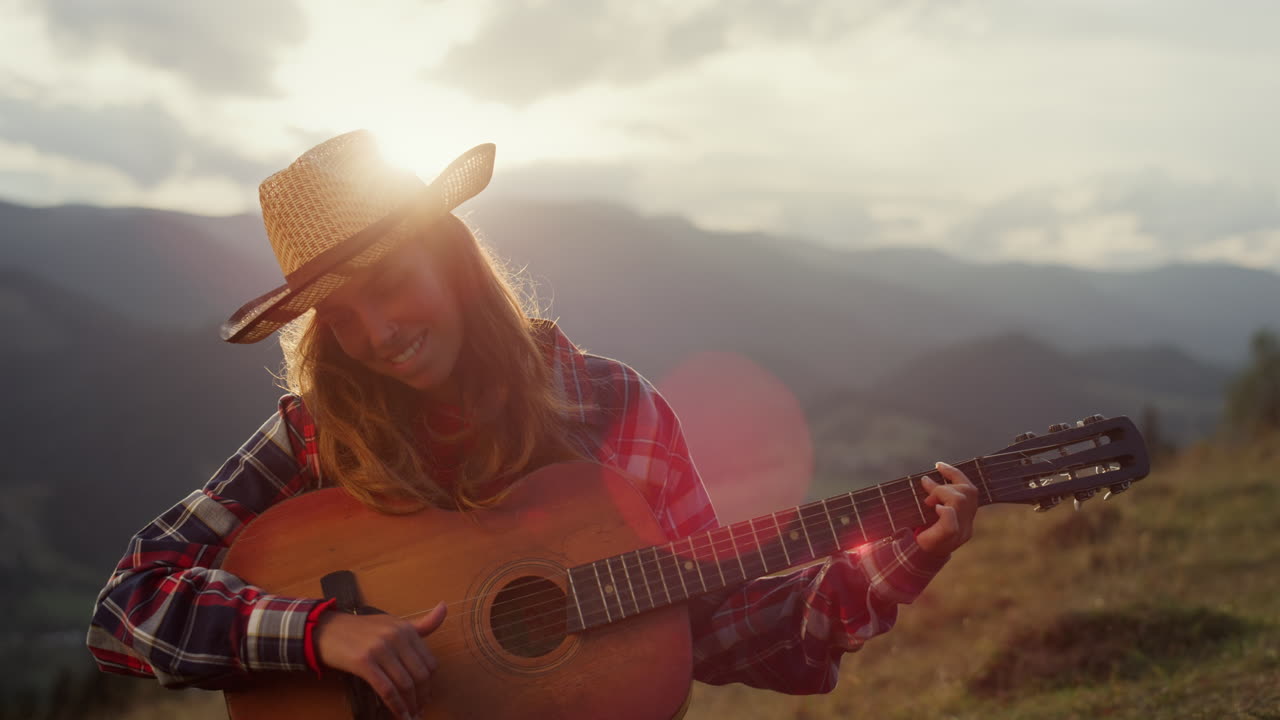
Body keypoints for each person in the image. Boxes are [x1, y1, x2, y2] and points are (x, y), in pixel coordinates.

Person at [86, 130, 979, 719]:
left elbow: (715, 624)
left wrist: (896, 560)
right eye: (342, 319)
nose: (377, 336)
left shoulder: (614, 409)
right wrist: (319, 630)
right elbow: (126, 608)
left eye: (391, 287)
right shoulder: (320, 431)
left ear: (453, 259)